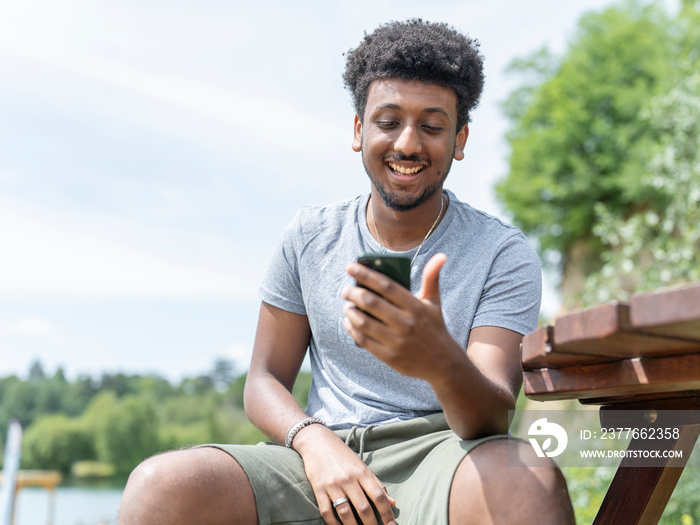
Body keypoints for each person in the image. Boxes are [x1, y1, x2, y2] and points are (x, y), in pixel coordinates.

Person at [118, 19, 575, 525]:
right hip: (316, 459)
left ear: (459, 139)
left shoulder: (501, 252)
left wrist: (438, 358)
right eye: (388, 121)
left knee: (527, 478)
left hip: (445, 454)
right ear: (359, 130)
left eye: (432, 125)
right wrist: (312, 440)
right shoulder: (309, 236)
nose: (407, 143)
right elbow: (264, 379)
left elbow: (490, 417)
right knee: (161, 486)